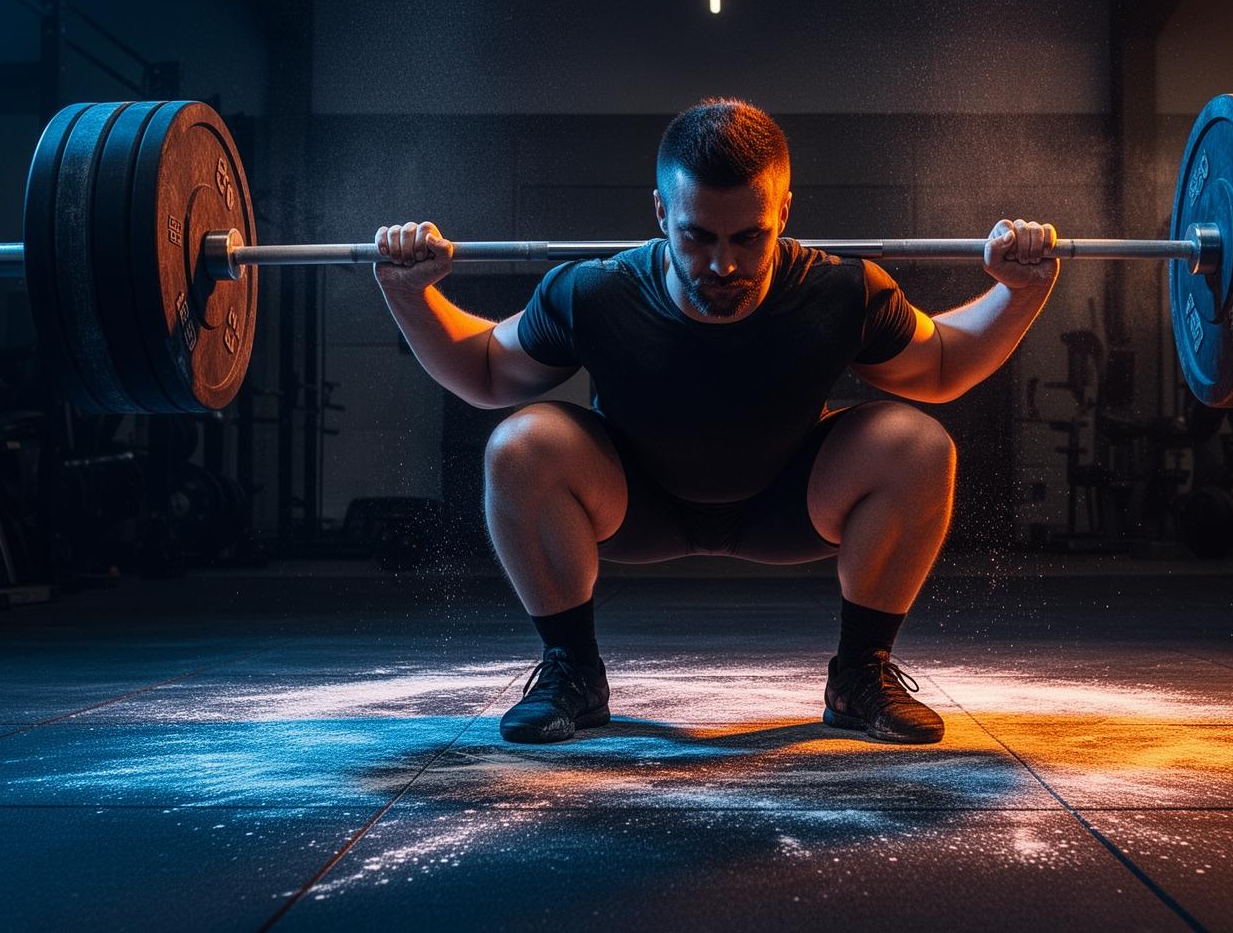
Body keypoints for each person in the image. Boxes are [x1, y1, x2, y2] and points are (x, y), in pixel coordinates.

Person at [375, 99, 1058, 745]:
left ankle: (860, 674)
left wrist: (1021, 291)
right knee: (521, 443)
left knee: (916, 445)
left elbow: (941, 367)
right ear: (661, 212)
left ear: (783, 211)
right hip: (635, 505)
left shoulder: (842, 291)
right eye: (697, 236)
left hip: (788, 506)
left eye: (748, 237)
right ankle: (573, 671)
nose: (723, 263)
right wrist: (409, 294)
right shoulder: (595, 292)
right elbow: (486, 373)